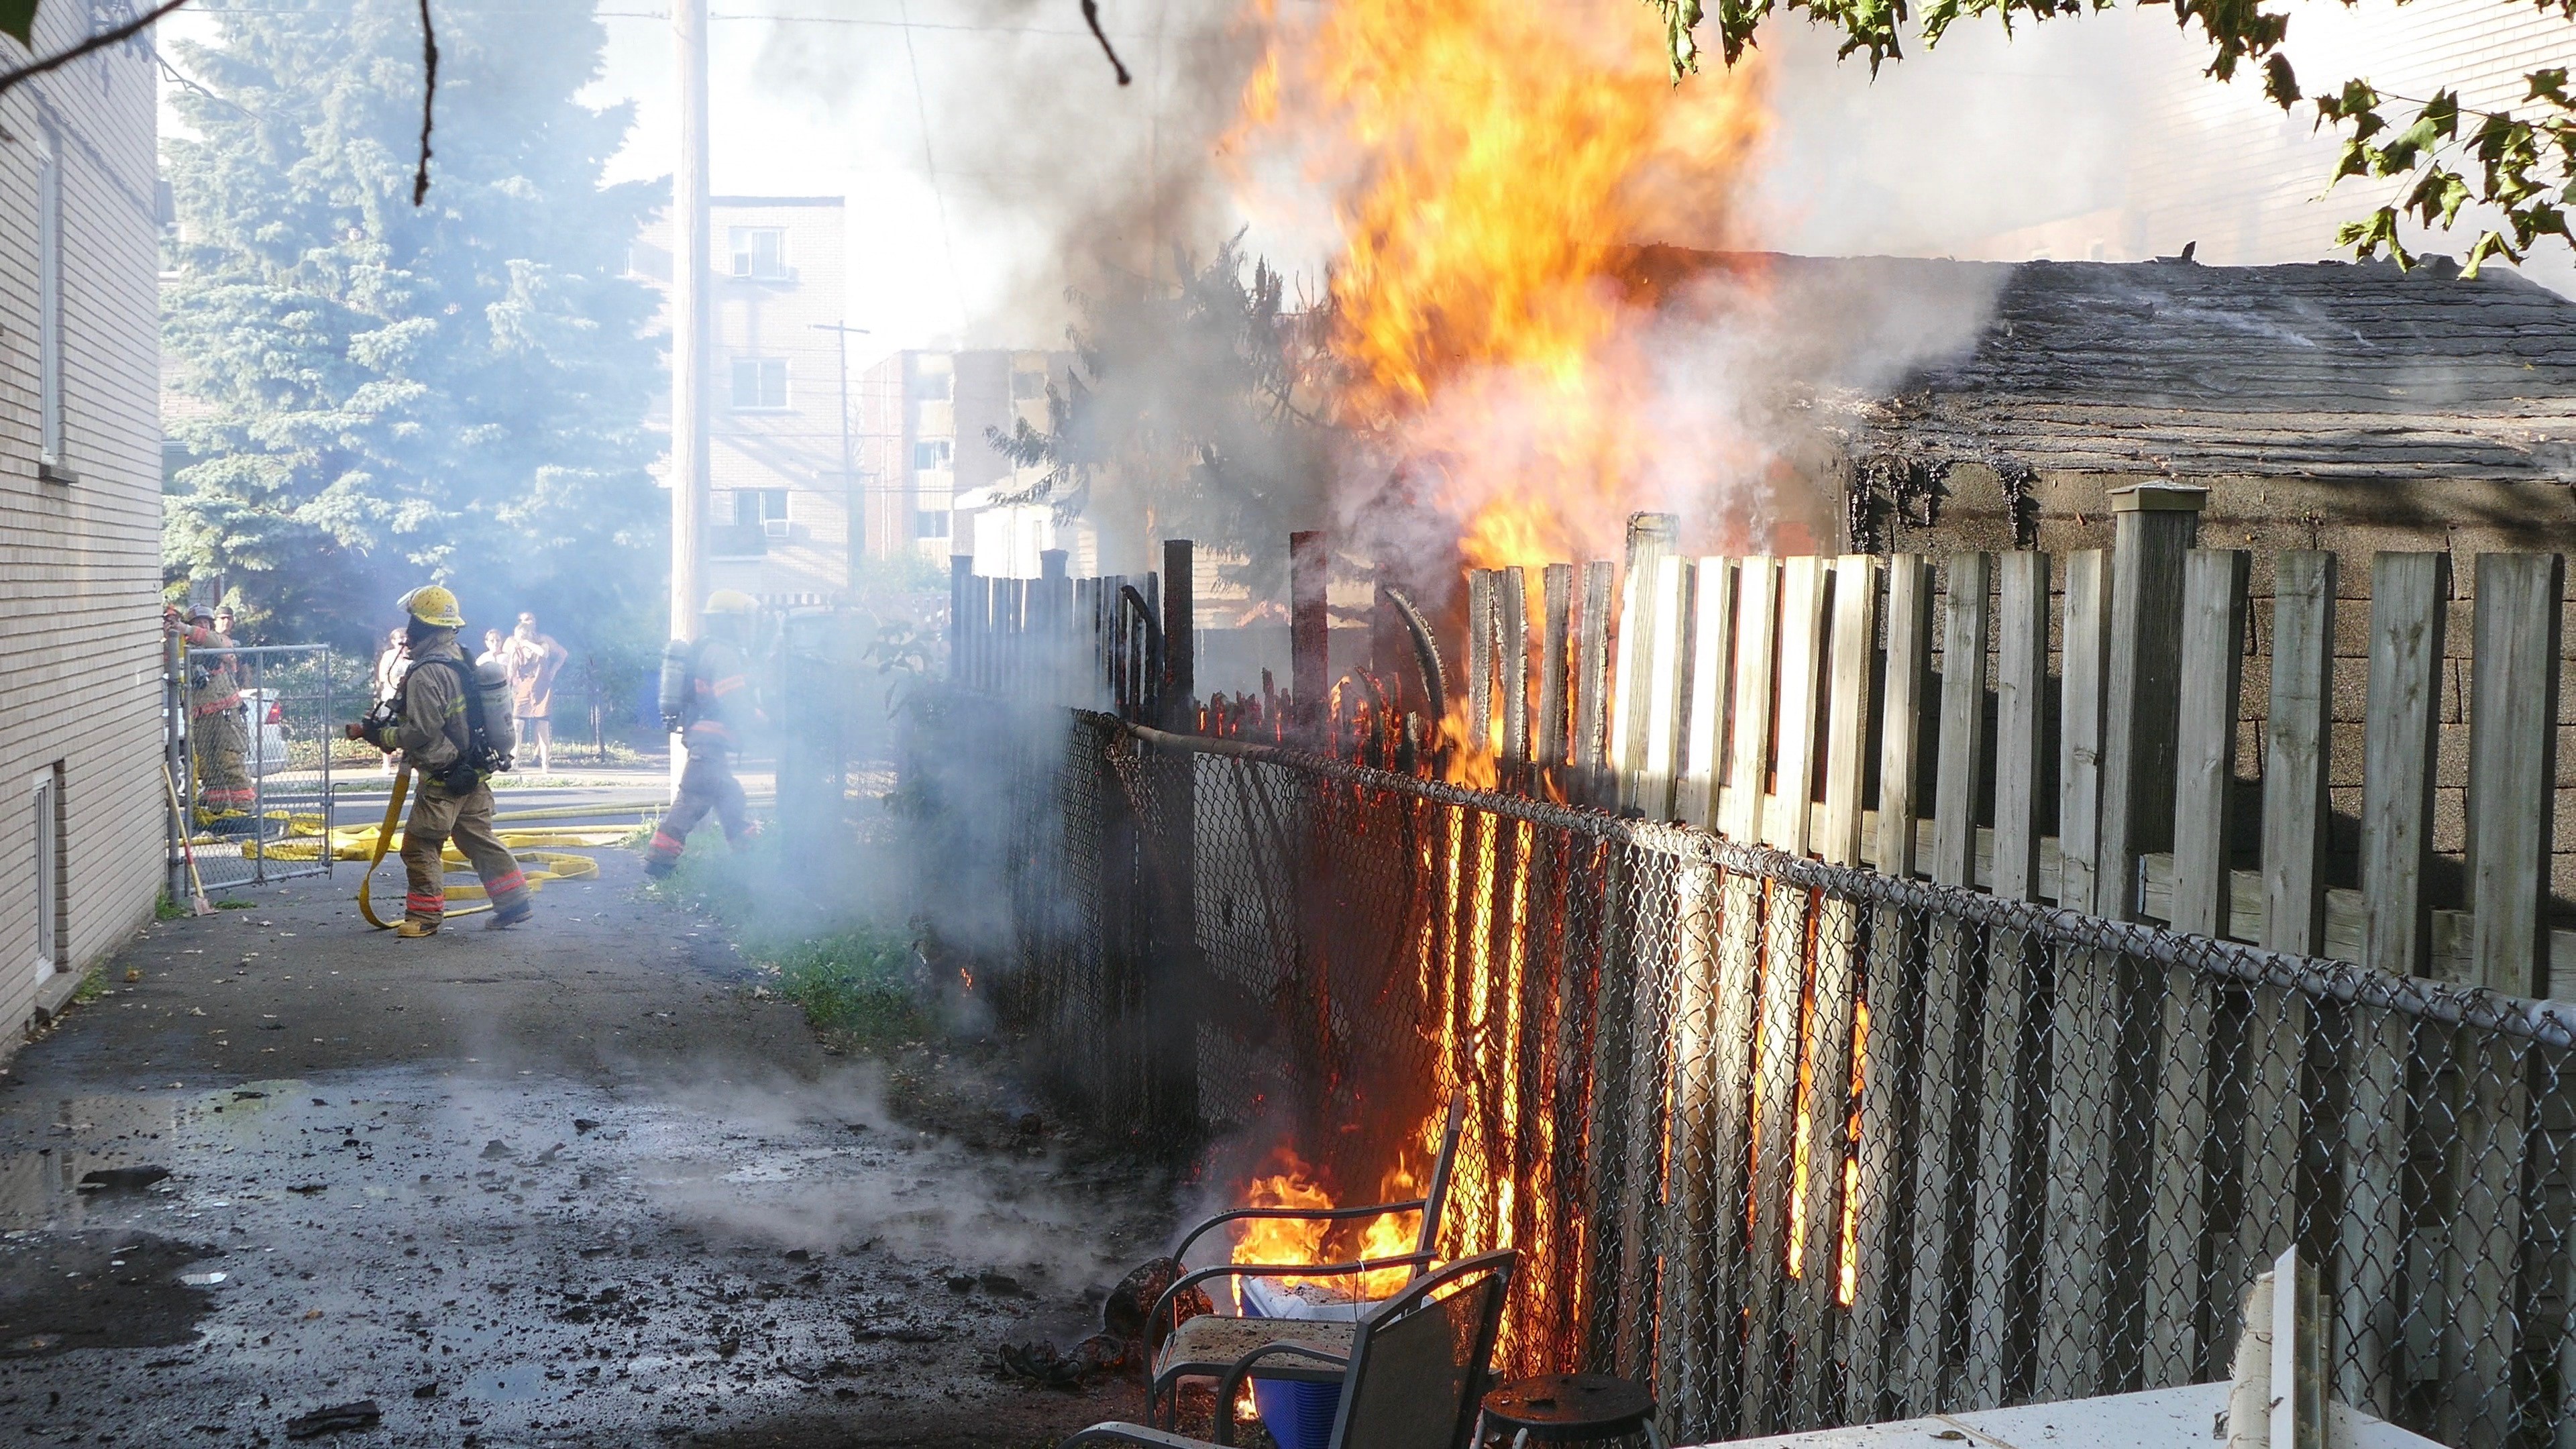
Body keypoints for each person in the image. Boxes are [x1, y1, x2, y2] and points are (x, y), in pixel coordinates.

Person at [347, 586, 533, 936]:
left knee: (419, 845)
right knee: (478, 838)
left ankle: (424, 918)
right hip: (474, 770)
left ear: (424, 626)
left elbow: (420, 731)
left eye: (413, 623)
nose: (409, 632)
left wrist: (382, 736)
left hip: (443, 776)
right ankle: (514, 902)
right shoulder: (460, 656)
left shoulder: (427, 673)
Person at [645, 590, 761, 880]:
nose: (748, 627)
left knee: (731, 797)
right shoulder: (723, 654)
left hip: (708, 743)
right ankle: (660, 862)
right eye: (744, 620)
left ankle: (749, 857)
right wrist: (763, 719)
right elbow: (733, 699)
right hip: (710, 743)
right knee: (692, 802)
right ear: (729, 621)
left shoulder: (709, 648)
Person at [172, 607, 254, 825]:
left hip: (226, 715)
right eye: (199, 623)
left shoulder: (219, 642)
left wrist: (185, 628)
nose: (204, 626)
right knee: (208, 767)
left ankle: (245, 811)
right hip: (201, 718)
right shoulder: (183, 650)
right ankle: (219, 813)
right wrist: (170, 629)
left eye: (206, 622)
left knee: (230, 762)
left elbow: (216, 643)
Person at [503, 612, 569, 773]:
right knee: (517, 726)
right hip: (523, 689)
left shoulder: (543, 643)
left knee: (543, 727)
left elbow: (543, 653)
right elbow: (511, 670)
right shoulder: (516, 648)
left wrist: (527, 643)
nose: (519, 639)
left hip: (541, 689)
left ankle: (545, 763)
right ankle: (515, 761)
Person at [372, 627, 410, 776]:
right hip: (390, 698)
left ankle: (407, 765)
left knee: (409, 731)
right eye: (399, 638)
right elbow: (383, 677)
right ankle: (386, 765)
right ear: (393, 641)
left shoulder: (413, 656)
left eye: (405, 638)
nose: (403, 641)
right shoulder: (388, 656)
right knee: (387, 730)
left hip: (408, 701)